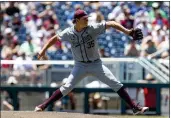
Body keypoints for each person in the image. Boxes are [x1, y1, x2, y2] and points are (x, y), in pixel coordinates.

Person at [34, 9, 149, 114]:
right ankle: (43, 106)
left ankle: (134, 107)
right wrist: (43, 50)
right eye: (85, 19)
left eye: (87, 18)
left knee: (115, 83)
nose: (87, 20)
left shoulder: (92, 28)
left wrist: (128, 32)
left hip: (96, 64)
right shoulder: (68, 32)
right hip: (80, 66)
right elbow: (54, 38)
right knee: (67, 87)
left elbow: (112, 23)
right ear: (77, 20)